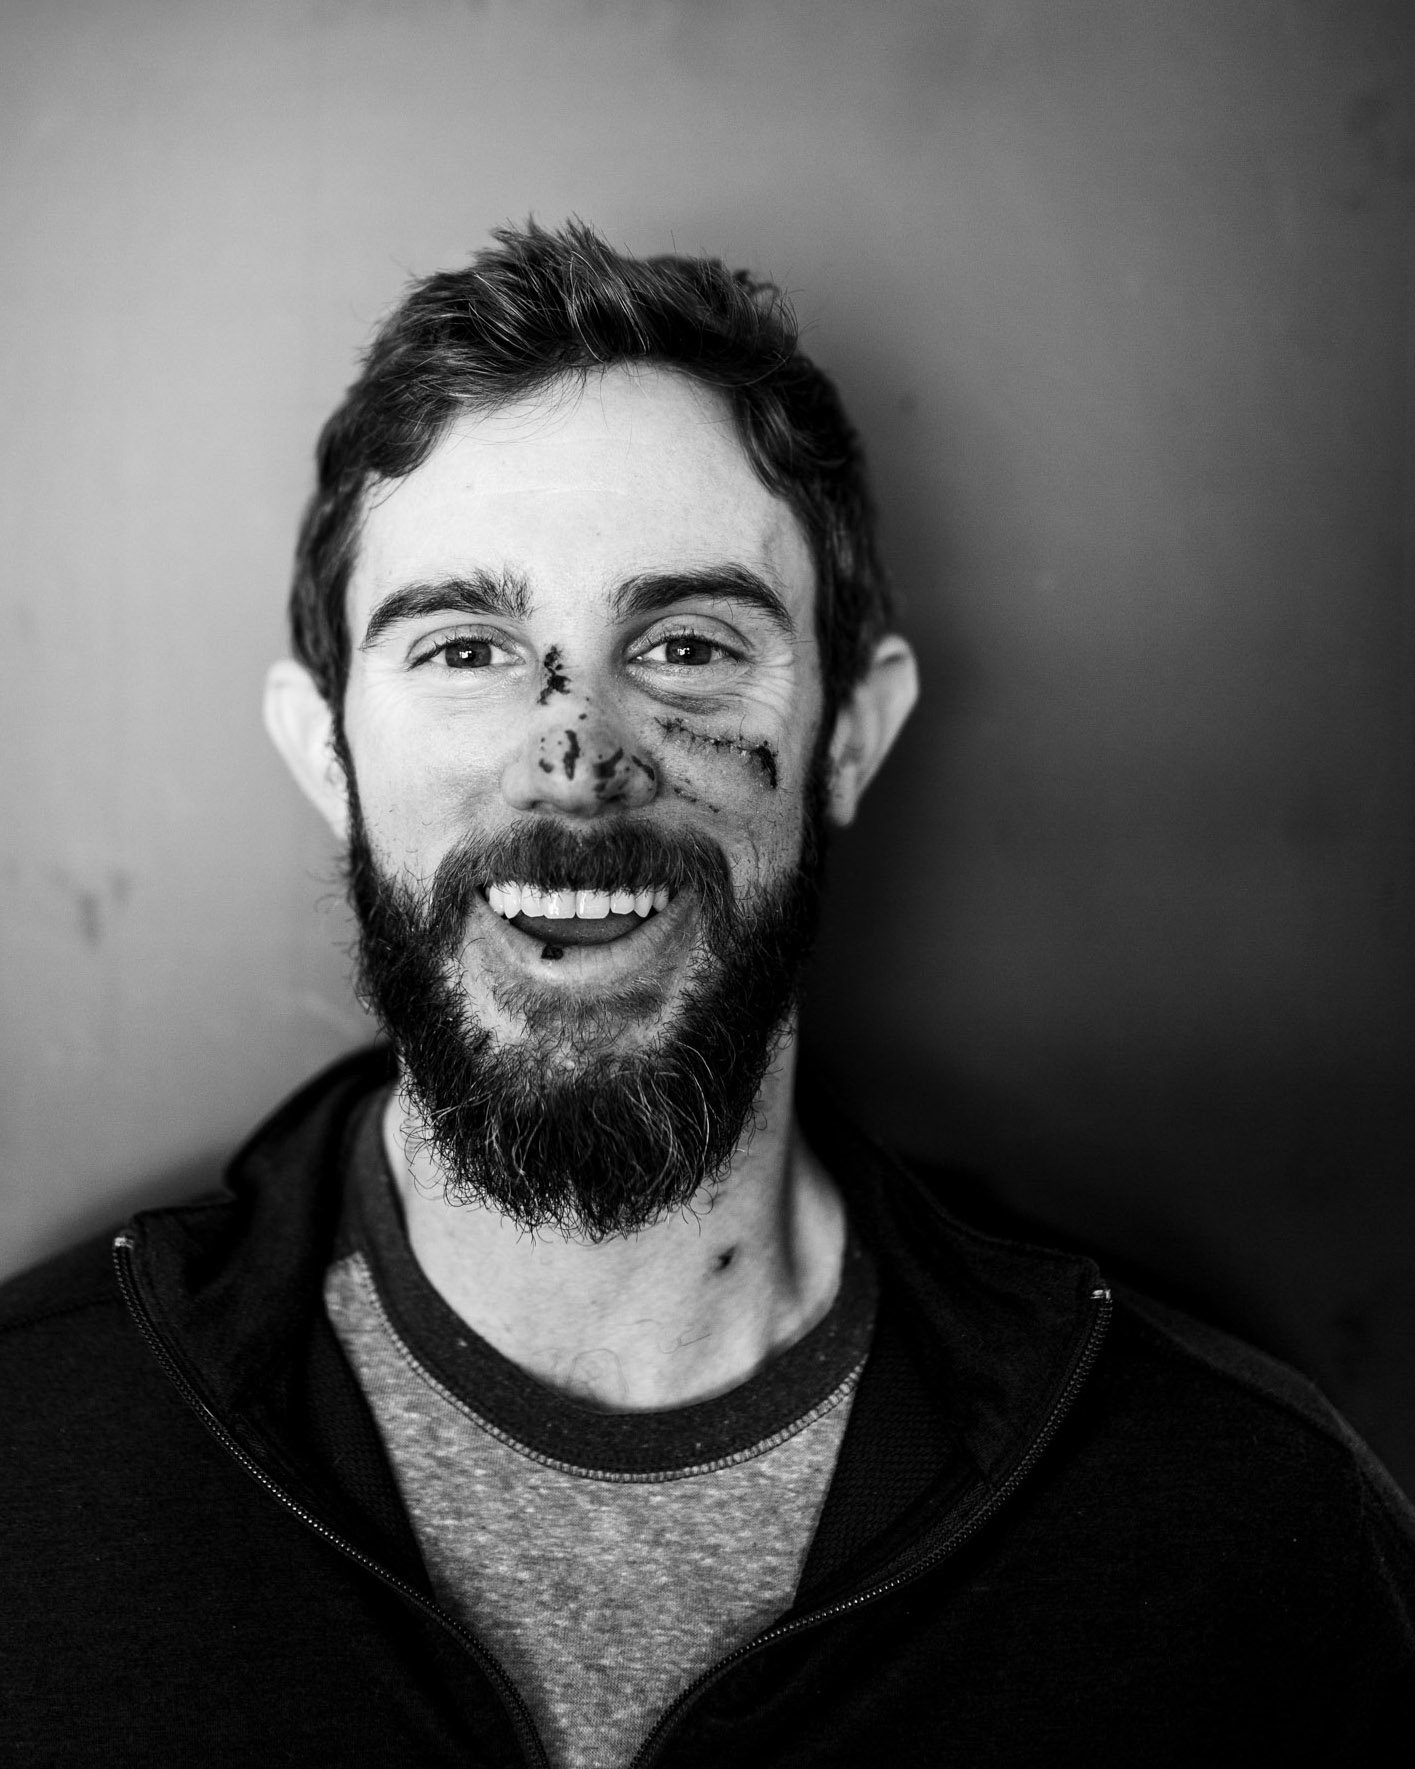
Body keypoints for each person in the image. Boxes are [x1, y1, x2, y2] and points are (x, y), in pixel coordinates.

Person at [2, 221, 1413, 1768]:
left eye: (683, 644)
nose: (580, 754)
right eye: (469, 646)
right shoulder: (31, 1463)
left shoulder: (1239, 1534)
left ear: (852, 735)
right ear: (324, 750)